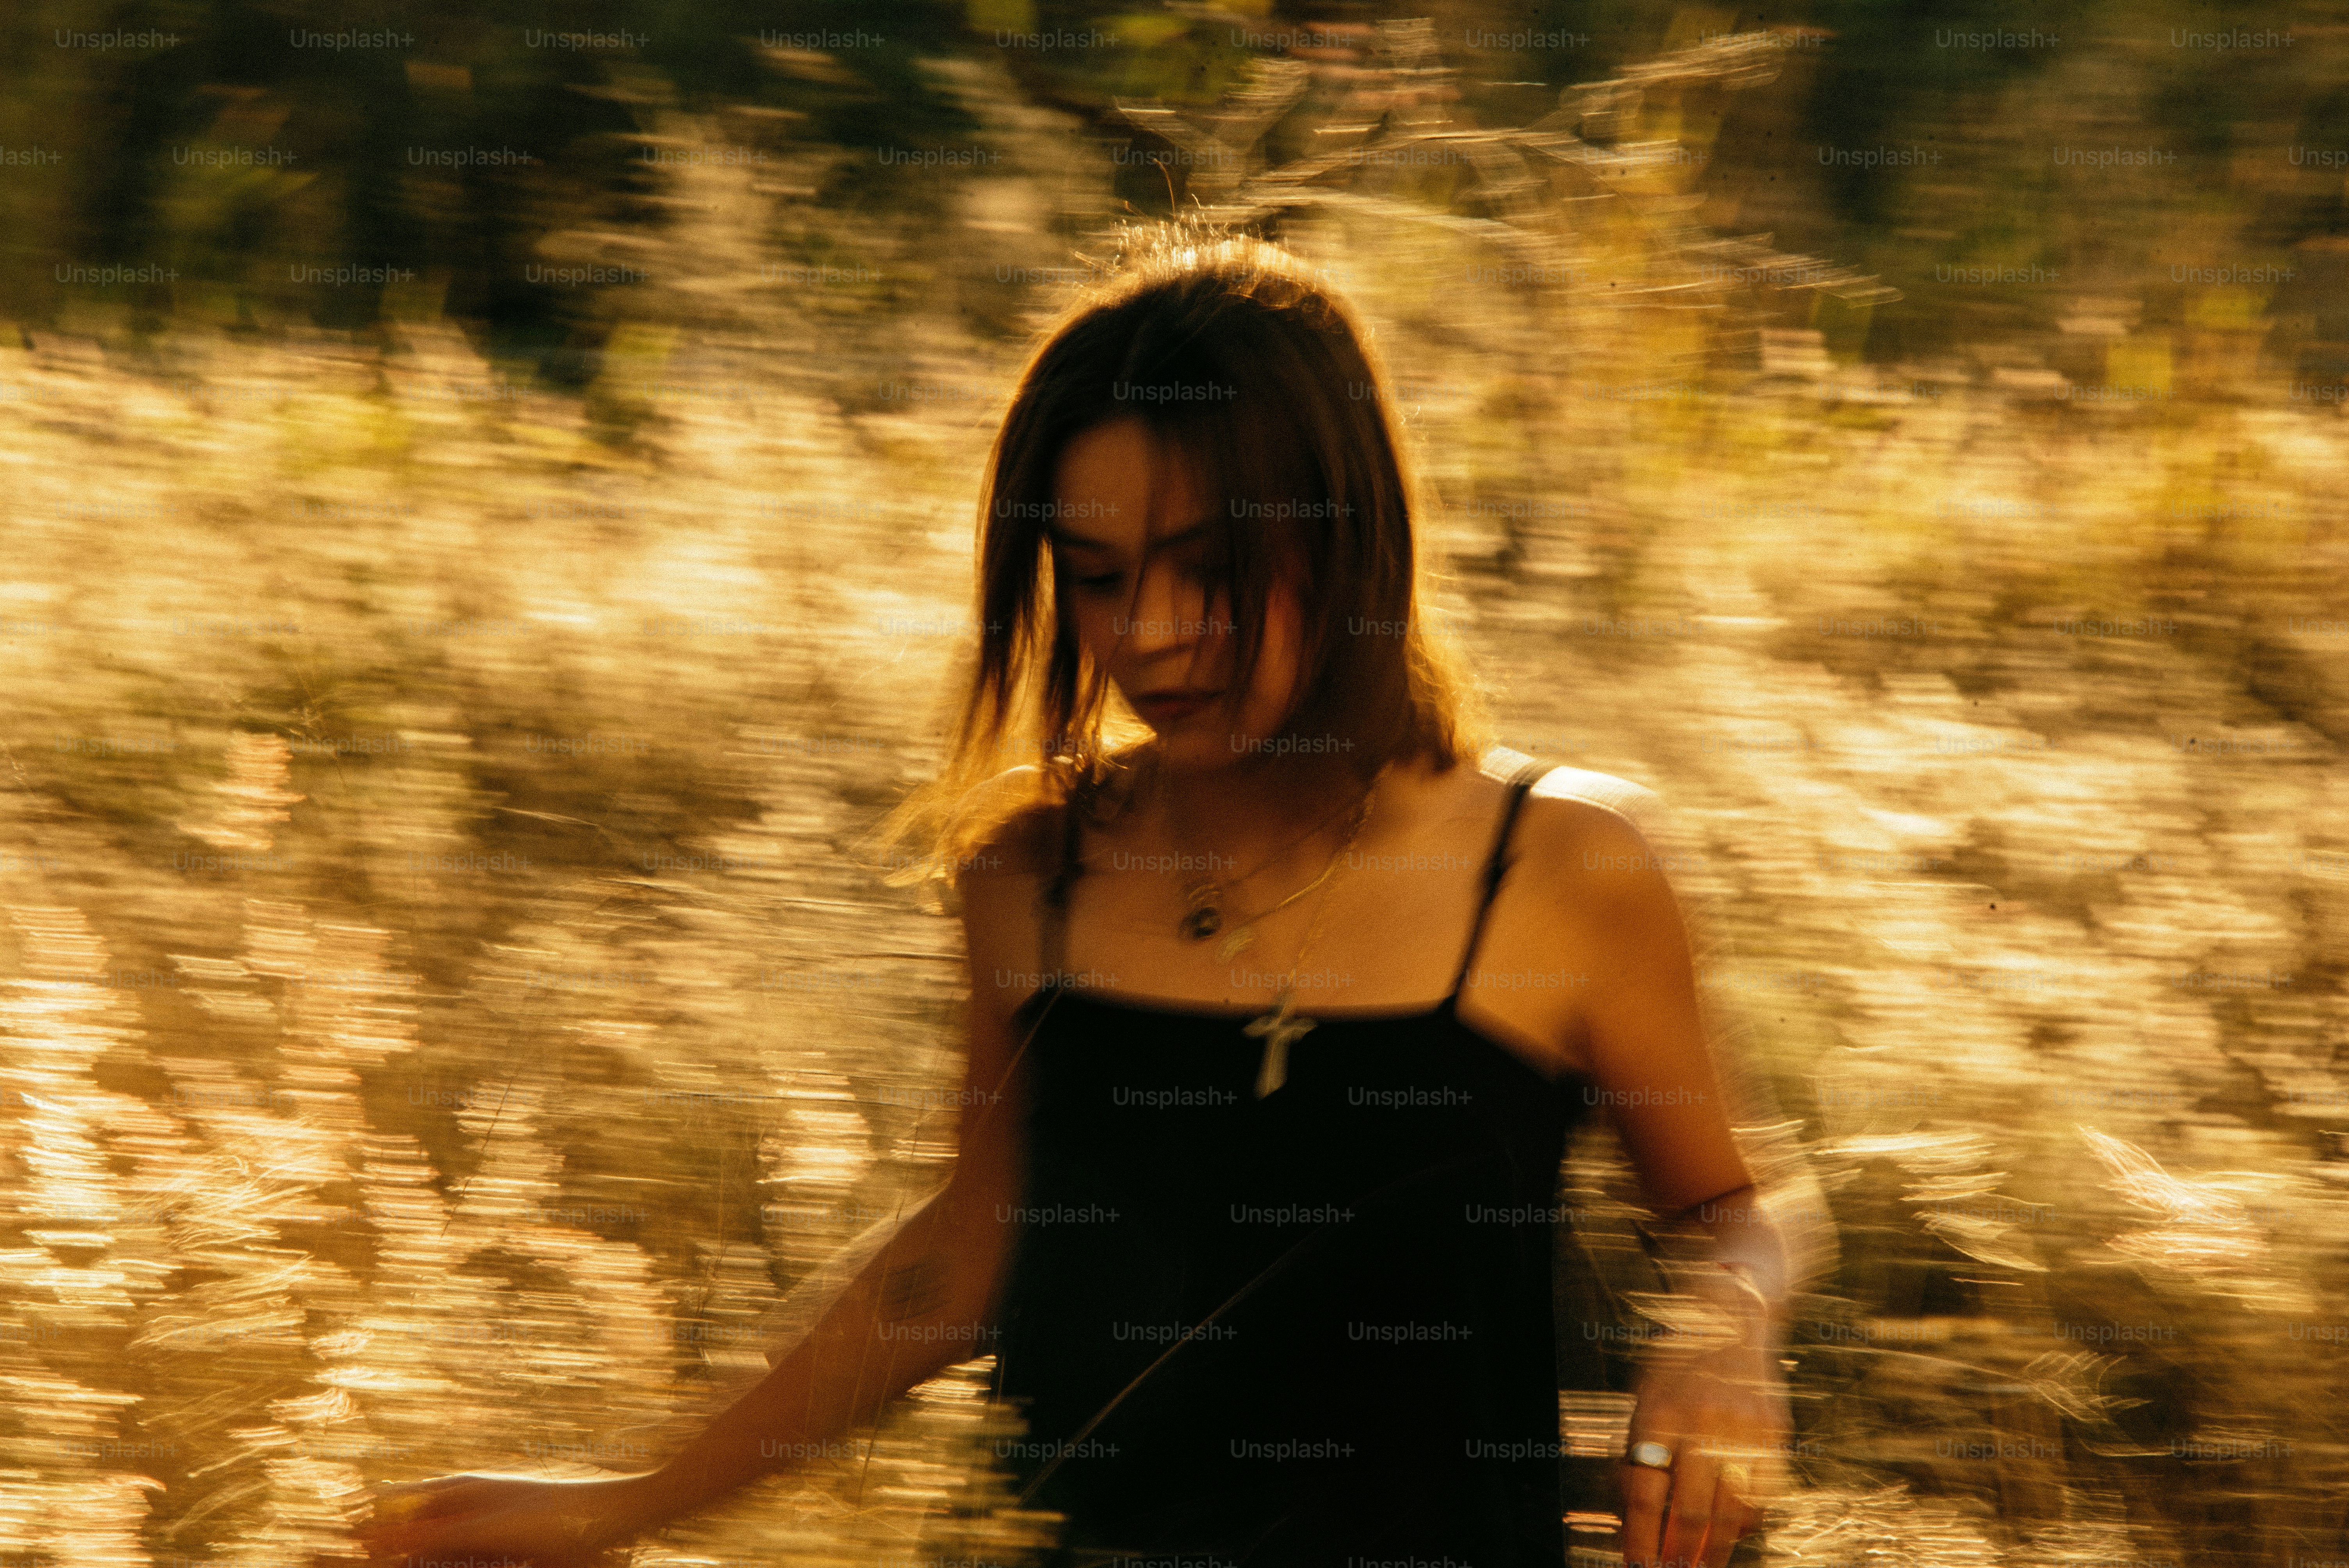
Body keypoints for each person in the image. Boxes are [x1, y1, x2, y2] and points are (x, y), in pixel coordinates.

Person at [358, 227, 1794, 1568]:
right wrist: (622, 1504)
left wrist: (1728, 1327)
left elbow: (1738, 1206)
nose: (1151, 636)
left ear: (1342, 533)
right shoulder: (1033, 868)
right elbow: (959, 1262)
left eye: (1210, 572)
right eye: (1098, 580)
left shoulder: (1559, 867)